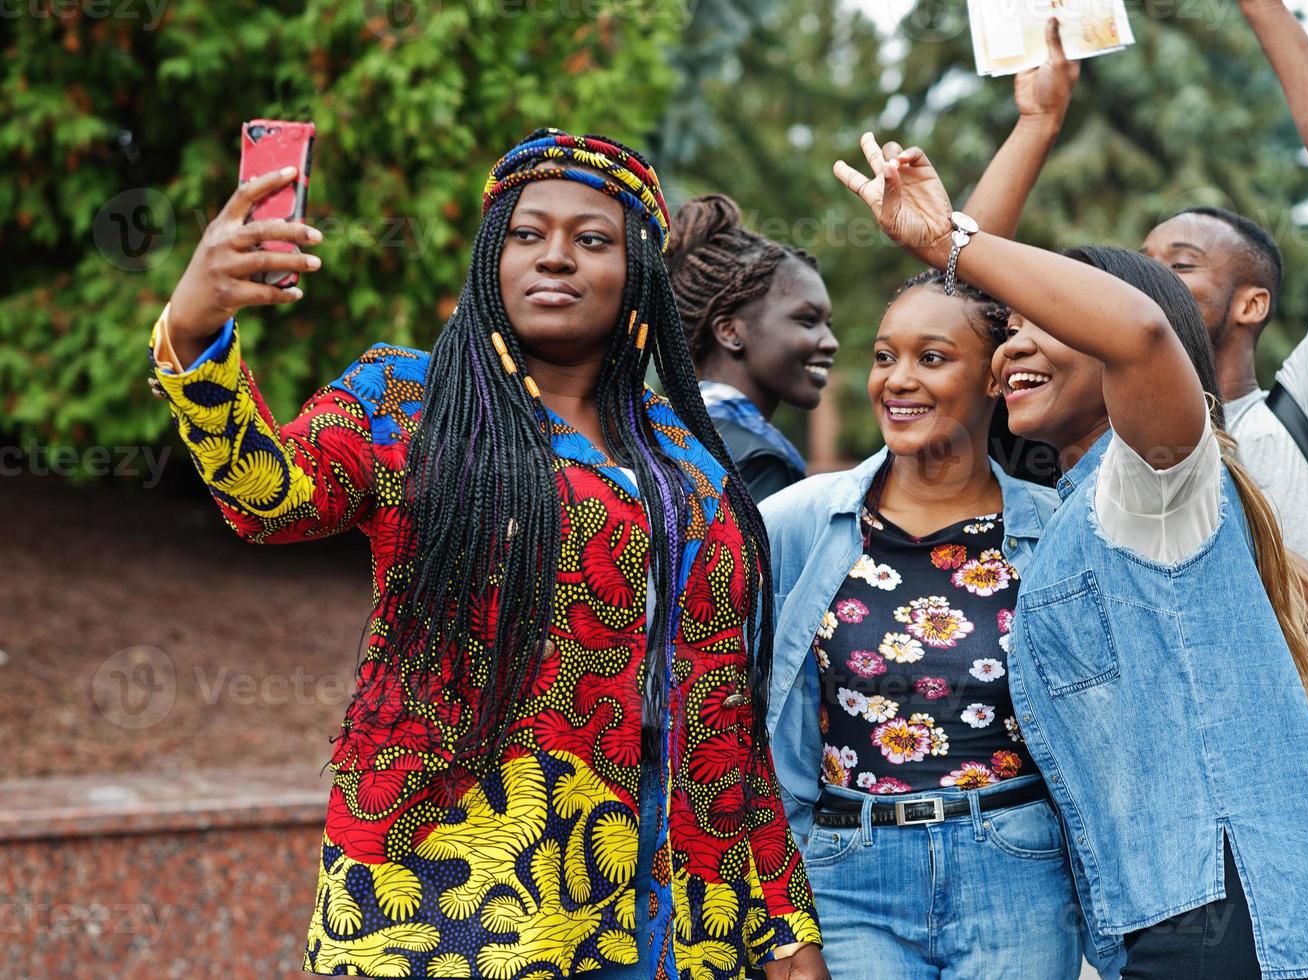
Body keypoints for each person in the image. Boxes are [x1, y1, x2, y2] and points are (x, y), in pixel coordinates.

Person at [147, 129, 827, 980]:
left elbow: (723, 710)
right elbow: (269, 499)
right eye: (526, 235)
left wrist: (782, 918)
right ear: (489, 260)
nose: (554, 258)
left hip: (672, 909)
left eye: (591, 240)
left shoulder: (690, 466)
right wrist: (195, 327)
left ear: (639, 274)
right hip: (450, 904)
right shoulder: (407, 401)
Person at [969, 4, 1308, 974]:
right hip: (1206, 865)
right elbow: (979, 305)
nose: (1144, 289)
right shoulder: (1092, 473)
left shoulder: (1305, 410)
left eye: (1176, 267)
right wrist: (1039, 123)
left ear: (1252, 300)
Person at [834, 130, 1308, 978]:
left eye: (1042, 326)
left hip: (1227, 910)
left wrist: (949, 239)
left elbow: (1143, 335)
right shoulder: (1092, 505)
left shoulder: (1149, 483)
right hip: (1175, 908)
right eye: (1007, 331)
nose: (1010, 349)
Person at [756, 41, 1088, 979]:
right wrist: (783, 927)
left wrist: (1034, 125)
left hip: (1018, 871)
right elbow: (741, 729)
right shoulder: (801, 523)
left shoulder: (1055, 533)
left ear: (993, 377)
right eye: (883, 355)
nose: (898, 378)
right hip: (847, 874)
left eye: (932, 359)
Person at [666, 194, 838, 500]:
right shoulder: (758, 463)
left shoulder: (660, 432)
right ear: (731, 331)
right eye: (808, 320)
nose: (830, 342)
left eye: (829, 324)